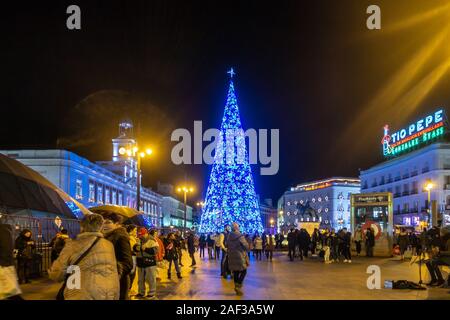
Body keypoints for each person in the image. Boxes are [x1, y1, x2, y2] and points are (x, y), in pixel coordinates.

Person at [48, 214, 120, 300]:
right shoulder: (108, 245)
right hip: (110, 292)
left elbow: (58, 273)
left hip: (82, 293)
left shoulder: (73, 244)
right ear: (100, 227)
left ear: (82, 227)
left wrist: (53, 272)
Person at [102, 213, 133, 300]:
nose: (104, 225)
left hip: (119, 282)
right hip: (106, 282)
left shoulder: (121, 237)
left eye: (108, 222)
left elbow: (128, 263)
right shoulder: (105, 237)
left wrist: (112, 272)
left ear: (117, 224)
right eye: (102, 222)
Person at [134, 229, 159, 299]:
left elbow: (156, 251)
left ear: (146, 234)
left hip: (149, 262)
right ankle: (141, 292)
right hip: (140, 262)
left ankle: (151, 293)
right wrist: (137, 247)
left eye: (141, 235)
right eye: (139, 235)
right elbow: (135, 248)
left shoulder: (152, 240)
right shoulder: (138, 240)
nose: (140, 237)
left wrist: (145, 249)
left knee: (151, 279)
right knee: (140, 280)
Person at [0, 223, 23, 300]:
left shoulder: (3, 230)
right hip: (4, 266)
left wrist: (5, 264)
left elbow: (6, 249)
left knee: (11, 293)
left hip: (3, 267)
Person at [227, 222, 249, 296]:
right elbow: (246, 246)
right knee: (244, 271)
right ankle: (239, 285)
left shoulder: (229, 236)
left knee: (236, 271)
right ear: (237, 228)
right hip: (240, 256)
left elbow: (227, 244)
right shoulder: (240, 236)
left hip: (232, 256)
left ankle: (237, 287)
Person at [126, 225, 138, 295]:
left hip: (132, 257)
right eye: (135, 230)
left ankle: (129, 290)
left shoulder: (132, 238)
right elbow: (133, 249)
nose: (136, 232)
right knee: (132, 274)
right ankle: (128, 290)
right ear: (131, 230)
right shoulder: (130, 238)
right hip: (132, 257)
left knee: (132, 274)